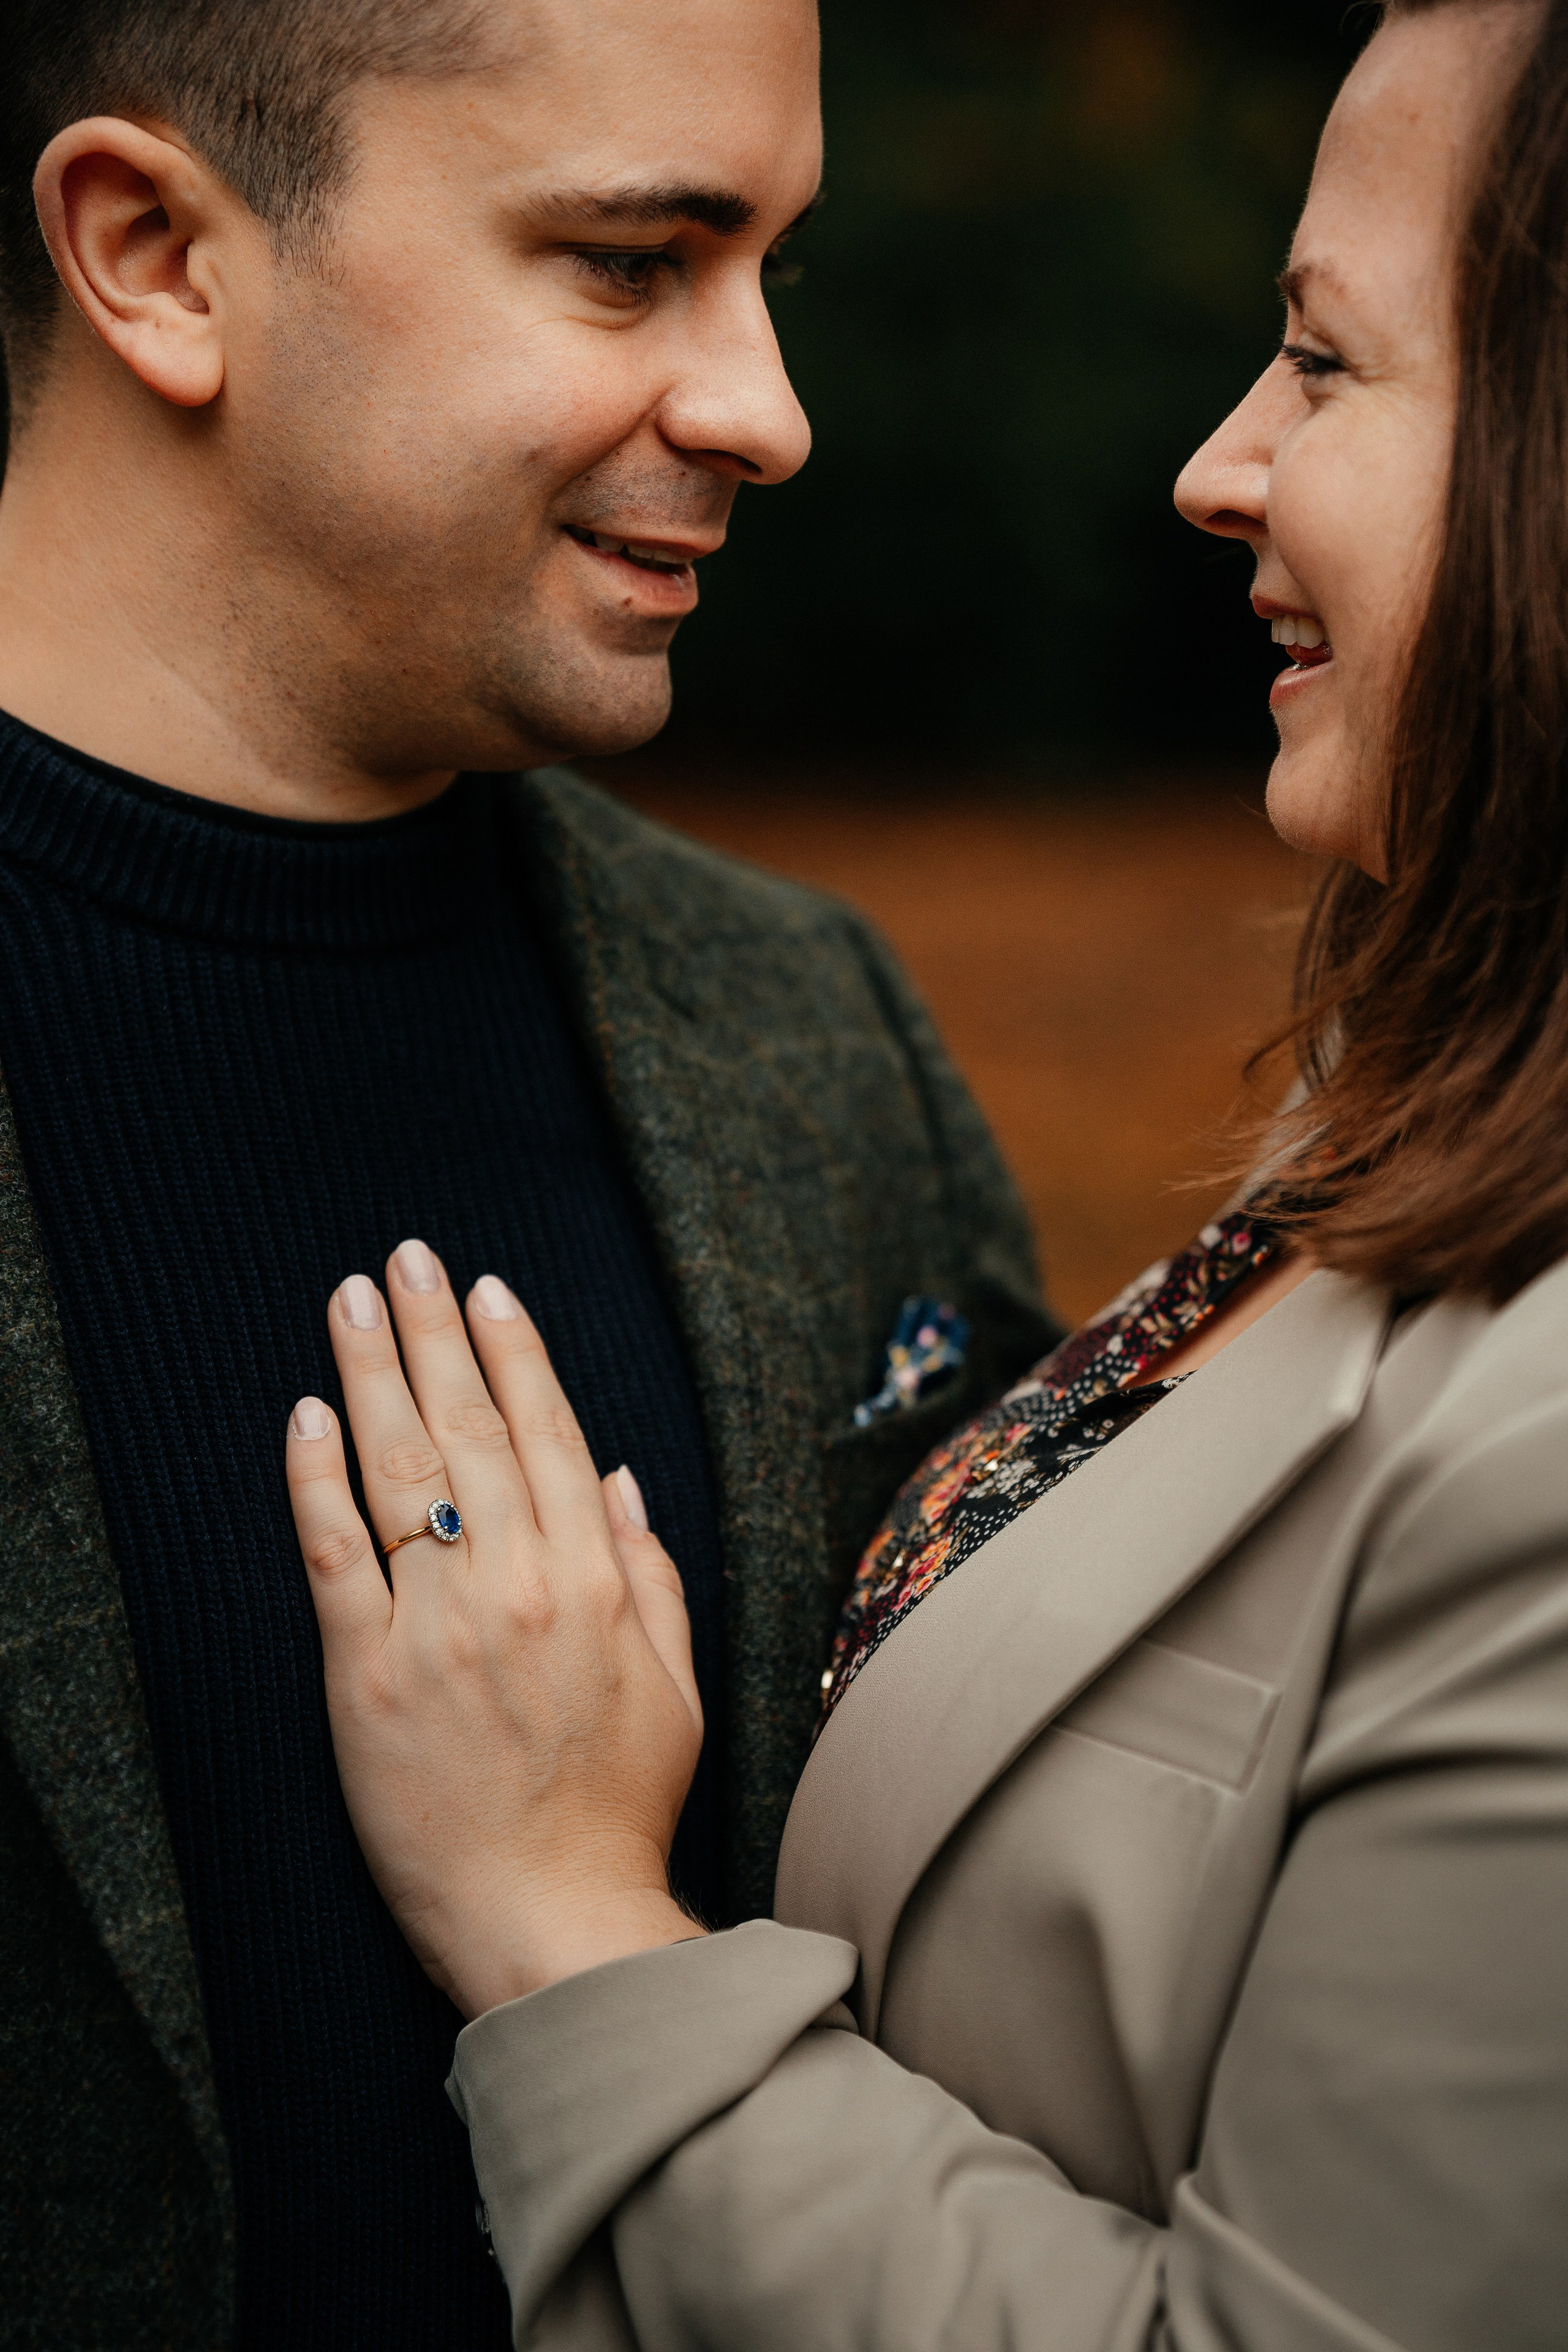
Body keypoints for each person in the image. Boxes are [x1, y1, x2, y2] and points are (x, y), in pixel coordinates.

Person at [285, 0, 1568, 2344]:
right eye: (629, 256)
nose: (1219, 461)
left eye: (1324, 361)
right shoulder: (1409, 1139)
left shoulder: (811, 1031)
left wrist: (572, 1920)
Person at [0, 2, 1055, 2345]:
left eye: (769, 261)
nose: (768, 408)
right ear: (155, 250)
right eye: (629, 260)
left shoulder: (815, 1034)